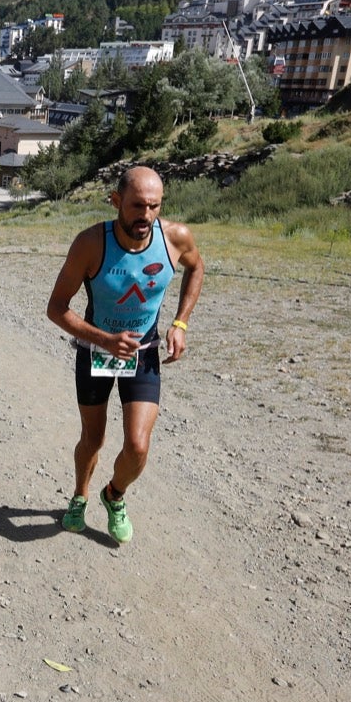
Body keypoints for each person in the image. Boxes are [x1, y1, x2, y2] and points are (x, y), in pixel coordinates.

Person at [45, 165, 204, 544]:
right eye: (136, 206)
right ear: (116, 201)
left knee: (137, 445)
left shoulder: (176, 238)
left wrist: (180, 323)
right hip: (96, 351)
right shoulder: (90, 244)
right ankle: (80, 496)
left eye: (154, 207)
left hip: (144, 351)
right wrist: (103, 339)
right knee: (93, 439)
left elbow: (196, 269)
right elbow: (56, 308)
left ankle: (114, 495)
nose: (146, 216)